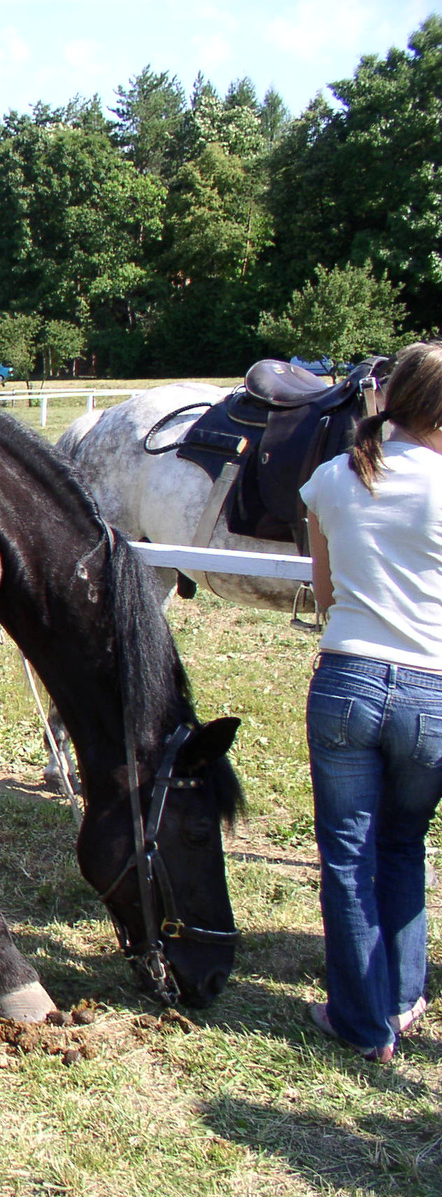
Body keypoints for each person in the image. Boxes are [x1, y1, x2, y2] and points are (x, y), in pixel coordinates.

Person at [300, 340, 442, 1062]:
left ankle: (363, 1023)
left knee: (346, 856)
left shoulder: (333, 477)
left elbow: (323, 596)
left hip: (348, 680)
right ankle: (405, 996)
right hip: (434, 692)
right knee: (403, 840)